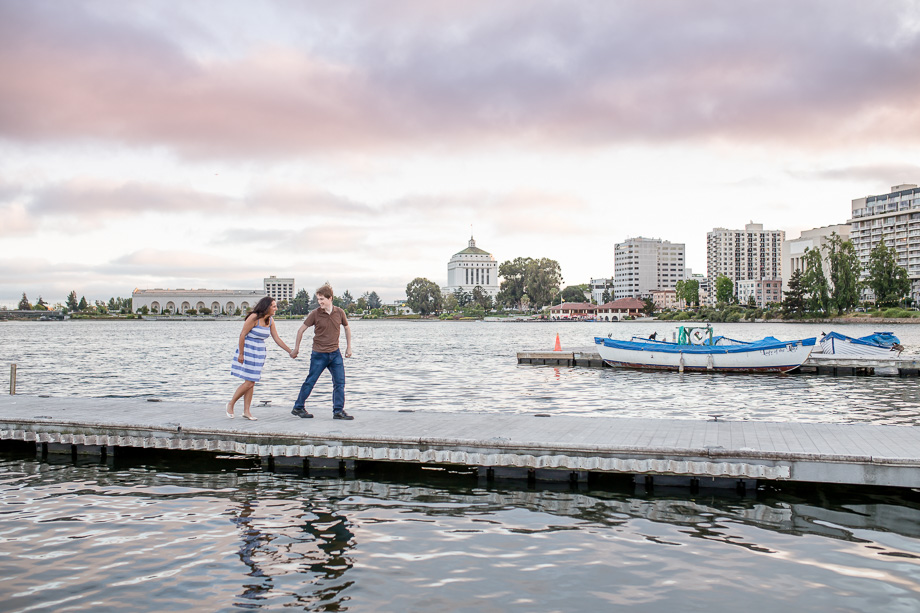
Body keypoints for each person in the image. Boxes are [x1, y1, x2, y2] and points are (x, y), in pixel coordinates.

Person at [291, 283, 353, 420]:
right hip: (319, 354)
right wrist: (296, 348)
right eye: (318, 299)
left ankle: (338, 411)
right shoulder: (315, 314)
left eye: (322, 299)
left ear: (330, 298)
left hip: (335, 353)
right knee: (311, 380)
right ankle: (298, 407)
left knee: (340, 382)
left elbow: (347, 328)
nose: (319, 302)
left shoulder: (340, 312)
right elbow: (301, 330)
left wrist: (349, 347)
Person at [227, 297, 293, 420]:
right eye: (273, 306)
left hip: (259, 352)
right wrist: (241, 354)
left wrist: (290, 351)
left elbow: (277, 338)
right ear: (266, 306)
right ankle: (231, 403)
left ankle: (246, 411)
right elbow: (242, 335)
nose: (276, 308)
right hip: (248, 350)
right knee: (249, 382)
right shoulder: (254, 317)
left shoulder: (270, 320)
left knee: (252, 382)